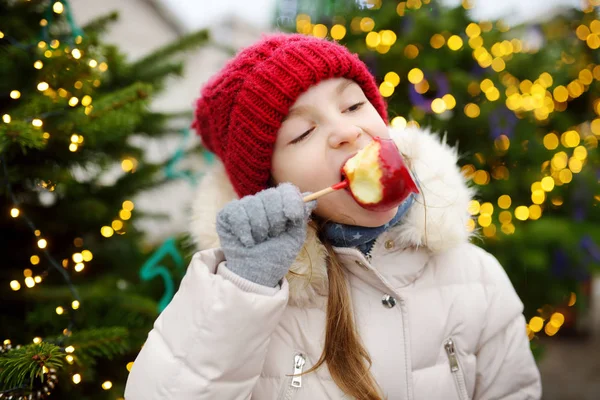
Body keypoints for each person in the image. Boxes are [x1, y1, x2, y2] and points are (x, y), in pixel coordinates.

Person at [124, 33, 541, 399]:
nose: (345, 131)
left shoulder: (475, 277)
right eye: (302, 133)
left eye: (353, 105)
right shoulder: (249, 300)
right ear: (272, 188)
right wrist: (242, 291)